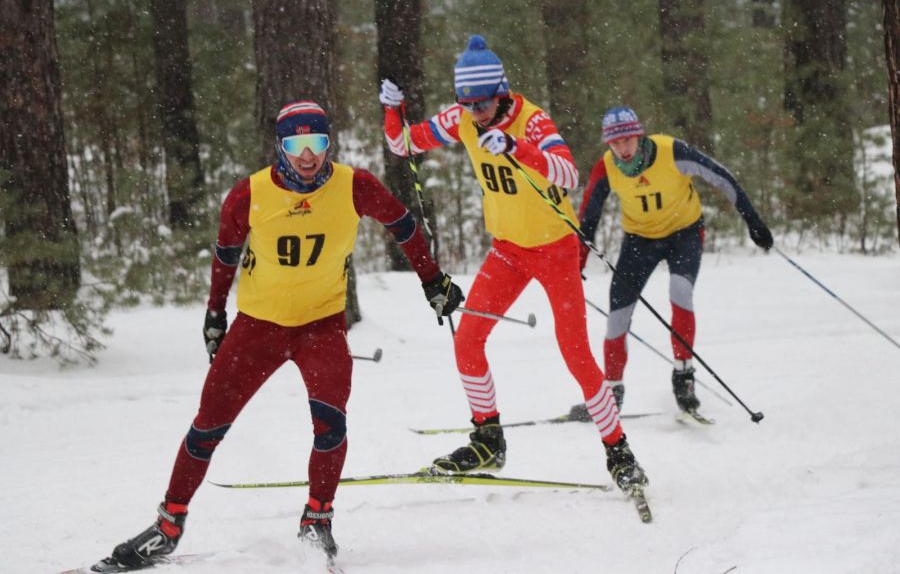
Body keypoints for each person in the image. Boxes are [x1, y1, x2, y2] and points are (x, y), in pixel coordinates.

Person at [94, 100, 462, 571]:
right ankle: (167, 527)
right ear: (280, 147)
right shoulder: (249, 194)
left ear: (330, 144)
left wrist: (432, 280)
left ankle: (317, 520)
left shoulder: (356, 186)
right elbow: (225, 256)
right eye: (295, 144)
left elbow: (404, 225)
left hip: (321, 326)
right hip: (257, 328)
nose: (307, 156)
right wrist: (213, 314)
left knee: (331, 425)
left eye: (317, 143)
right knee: (208, 426)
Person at [378, 34, 648, 495]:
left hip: (555, 249)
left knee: (576, 354)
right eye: (468, 103)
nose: (475, 112)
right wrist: (392, 109)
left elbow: (568, 173)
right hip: (508, 250)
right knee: (467, 340)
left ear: (500, 92)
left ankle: (618, 450)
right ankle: (488, 439)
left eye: (482, 103)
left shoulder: (533, 120)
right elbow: (404, 144)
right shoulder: (460, 116)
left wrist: (519, 148)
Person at [572, 106, 773, 417]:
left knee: (680, 291)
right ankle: (612, 390)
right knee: (617, 315)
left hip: (685, 235)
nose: (622, 149)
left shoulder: (671, 151)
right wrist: (577, 262)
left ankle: (684, 376)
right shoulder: (607, 167)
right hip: (640, 241)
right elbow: (589, 216)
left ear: (639, 136)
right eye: (615, 143)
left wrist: (753, 221)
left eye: (628, 140)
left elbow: (721, 177)